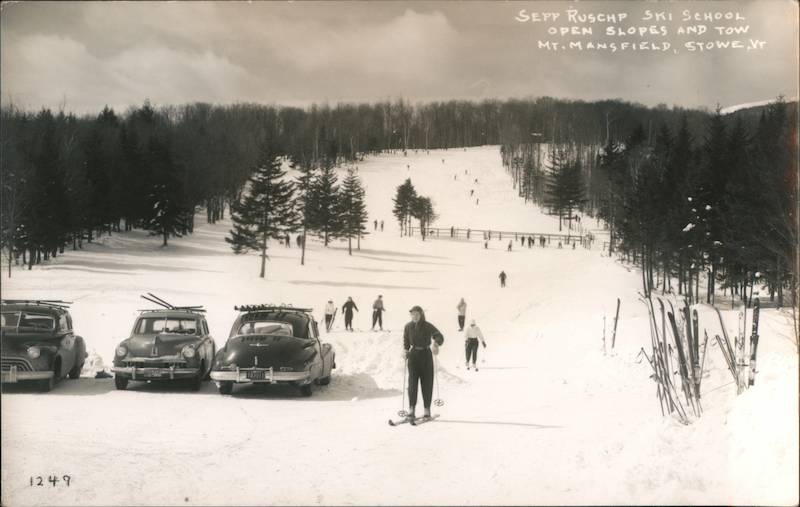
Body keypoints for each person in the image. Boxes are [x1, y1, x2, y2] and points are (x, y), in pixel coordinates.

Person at [403, 306, 444, 420]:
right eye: (412, 314)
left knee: (427, 383)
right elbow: (406, 341)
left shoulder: (427, 326)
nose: (414, 316)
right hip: (413, 356)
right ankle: (411, 410)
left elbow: (439, 336)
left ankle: (427, 410)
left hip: (426, 355)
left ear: (421, 315)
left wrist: (436, 344)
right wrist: (405, 350)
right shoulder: (408, 326)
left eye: (416, 314)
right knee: (412, 384)